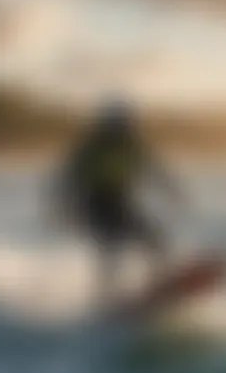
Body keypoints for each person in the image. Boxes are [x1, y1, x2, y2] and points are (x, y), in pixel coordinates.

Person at [50, 98, 184, 304]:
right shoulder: (91, 148)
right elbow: (68, 178)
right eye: (120, 123)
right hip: (95, 204)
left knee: (153, 238)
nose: (125, 127)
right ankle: (106, 297)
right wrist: (63, 208)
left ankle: (161, 283)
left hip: (122, 202)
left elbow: (156, 170)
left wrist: (172, 191)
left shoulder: (133, 146)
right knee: (111, 247)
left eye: (126, 123)